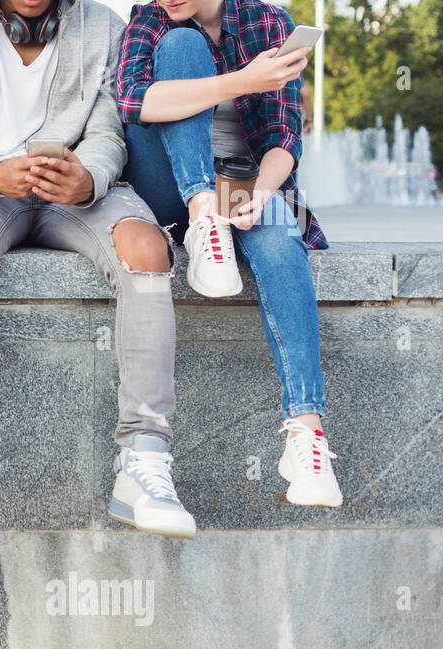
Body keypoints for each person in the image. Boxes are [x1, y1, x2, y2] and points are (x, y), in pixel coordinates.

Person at [0, 0, 196, 545]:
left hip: (76, 193)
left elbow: (109, 136)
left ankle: (144, 461)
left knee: (146, 246)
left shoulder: (106, 29)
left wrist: (89, 178)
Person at [116, 0, 342, 507]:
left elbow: (285, 134)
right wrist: (243, 80)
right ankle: (203, 220)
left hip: (246, 182)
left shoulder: (270, 22)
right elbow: (133, 104)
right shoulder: (151, 20)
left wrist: (261, 192)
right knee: (181, 45)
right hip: (172, 186)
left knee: (283, 239)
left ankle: (306, 433)